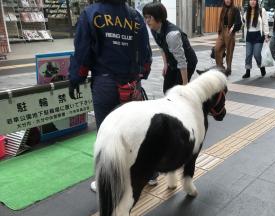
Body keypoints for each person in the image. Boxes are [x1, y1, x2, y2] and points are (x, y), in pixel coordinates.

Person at [68, 0, 152, 192]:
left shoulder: (91, 14)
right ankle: (147, 174)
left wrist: (76, 78)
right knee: (135, 130)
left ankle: (106, 181)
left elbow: (83, 52)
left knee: (106, 133)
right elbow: (144, 49)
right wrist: (144, 72)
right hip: (131, 83)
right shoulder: (135, 16)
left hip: (105, 82)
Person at [143, 2, 197, 94]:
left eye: (149, 17)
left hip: (187, 63)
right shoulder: (154, 29)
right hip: (173, 62)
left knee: (178, 93)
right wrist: (165, 64)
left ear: (159, 17)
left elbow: (182, 61)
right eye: (145, 17)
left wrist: (185, 85)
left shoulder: (172, 35)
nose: (147, 21)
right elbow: (162, 48)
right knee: (167, 90)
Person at [242, 0, 269, 78]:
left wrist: (266, 35)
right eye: (251, 0)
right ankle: (247, 71)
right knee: (248, 55)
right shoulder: (247, 11)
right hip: (249, 35)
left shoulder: (261, 10)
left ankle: (261, 67)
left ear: (257, 1)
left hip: (258, 35)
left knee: (257, 54)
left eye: (254, 0)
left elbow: (265, 23)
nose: (252, 2)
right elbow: (244, 22)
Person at [215, 0, 242, 76]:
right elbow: (221, 20)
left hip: (229, 31)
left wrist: (233, 29)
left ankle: (228, 68)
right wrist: (219, 31)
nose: (227, 1)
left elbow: (238, 22)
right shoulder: (223, 8)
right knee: (217, 49)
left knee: (229, 51)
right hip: (222, 31)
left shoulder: (235, 9)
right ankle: (220, 67)